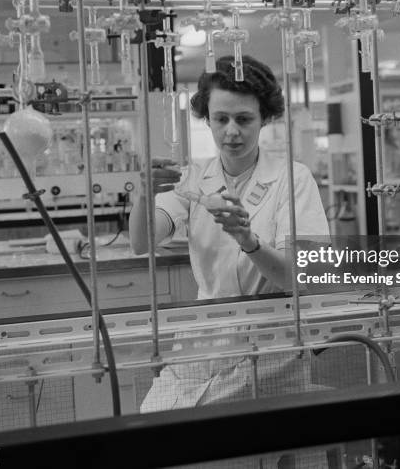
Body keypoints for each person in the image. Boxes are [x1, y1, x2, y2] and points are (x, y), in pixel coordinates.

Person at [130, 56, 330, 427]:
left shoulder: (293, 179)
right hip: (204, 330)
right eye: (221, 119)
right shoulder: (193, 179)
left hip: (272, 338)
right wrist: (143, 194)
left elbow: (298, 279)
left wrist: (248, 241)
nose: (231, 131)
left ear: (265, 119)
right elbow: (142, 242)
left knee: (235, 442)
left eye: (244, 119)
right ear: (207, 118)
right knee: (157, 426)